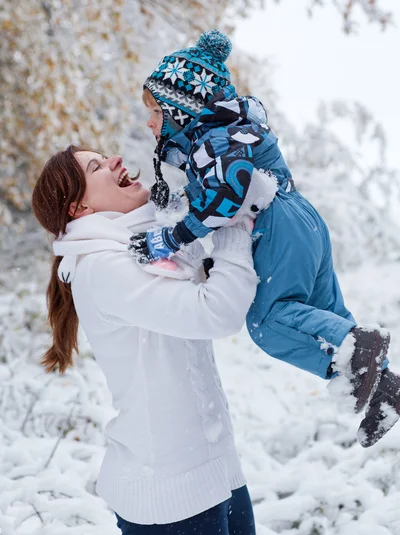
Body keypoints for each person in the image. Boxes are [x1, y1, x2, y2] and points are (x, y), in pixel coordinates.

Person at [128, 29, 400, 448]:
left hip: (276, 224)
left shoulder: (214, 139)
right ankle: (385, 391)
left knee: (270, 323)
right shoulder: (225, 133)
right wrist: (181, 197)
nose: (149, 123)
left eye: (157, 113)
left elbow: (226, 194)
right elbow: (222, 184)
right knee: (321, 318)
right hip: (302, 219)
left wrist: (172, 238)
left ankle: (361, 347)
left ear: (183, 111)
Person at [31, 144, 267, 535]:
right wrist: (238, 220)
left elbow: (209, 271)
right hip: (168, 492)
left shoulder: (148, 243)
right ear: (79, 207)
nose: (116, 160)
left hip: (217, 468)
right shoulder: (102, 267)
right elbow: (216, 310)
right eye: (96, 167)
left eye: (105, 155)